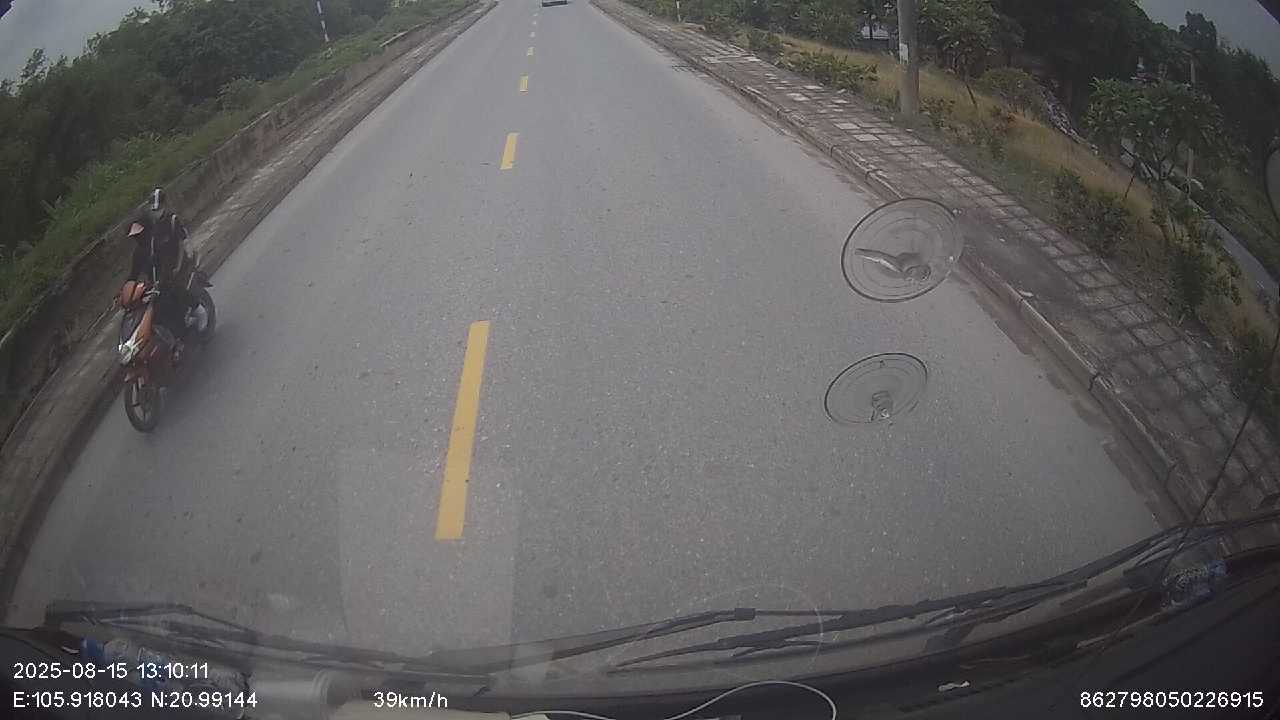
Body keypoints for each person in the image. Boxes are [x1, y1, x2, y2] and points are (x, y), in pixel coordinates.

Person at [126, 188, 207, 347]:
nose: (156, 212)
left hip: (178, 264)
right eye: (153, 209)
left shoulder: (172, 220)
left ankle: (198, 310)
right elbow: (145, 265)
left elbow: (183, 244)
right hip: (163, 270)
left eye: (158, 208)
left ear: (164, 205)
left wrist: (179, 265)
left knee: (172, 287)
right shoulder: (153, 230)